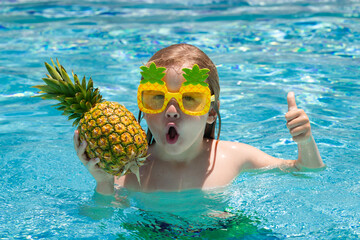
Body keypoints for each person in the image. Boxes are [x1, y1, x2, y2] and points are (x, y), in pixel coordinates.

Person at [74, 43, 324, 195]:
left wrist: (305, 142)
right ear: (143, 107)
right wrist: (104, 184)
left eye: (190, 99)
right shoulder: (126, 173)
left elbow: (306, 173)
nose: (171, 111)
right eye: (156, 98)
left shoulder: (235, 158)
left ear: (211, 112)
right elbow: (99, 219)